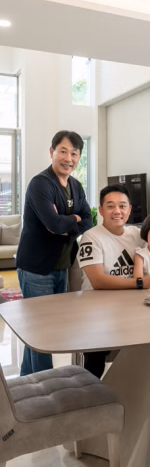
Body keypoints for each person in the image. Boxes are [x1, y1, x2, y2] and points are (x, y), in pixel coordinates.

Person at [16, 130, 92, 375]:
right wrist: (72, 220)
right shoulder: (40, 184)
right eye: (63, 151)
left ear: (79, 157)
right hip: (37, 268)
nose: (68, 158)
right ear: (52, 152)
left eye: (74, 153)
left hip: (63, 266)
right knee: (41, 332)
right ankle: (45, 383)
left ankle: (27, 381)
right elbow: (53, 224)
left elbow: (88, 220)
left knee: (43, 330)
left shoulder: (76, 186)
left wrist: (67, 223)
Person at [78, 183, 150, 377]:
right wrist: (140, 282)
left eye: (122, 206)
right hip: (97, 309)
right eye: (110, 206)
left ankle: (147, 383)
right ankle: (92, 389)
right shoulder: (91, 237)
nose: (117, 211)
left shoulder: (137, 234)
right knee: (96, 352)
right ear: (101, 210)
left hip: (131, 307)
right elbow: (98, 281)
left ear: (129, 209)